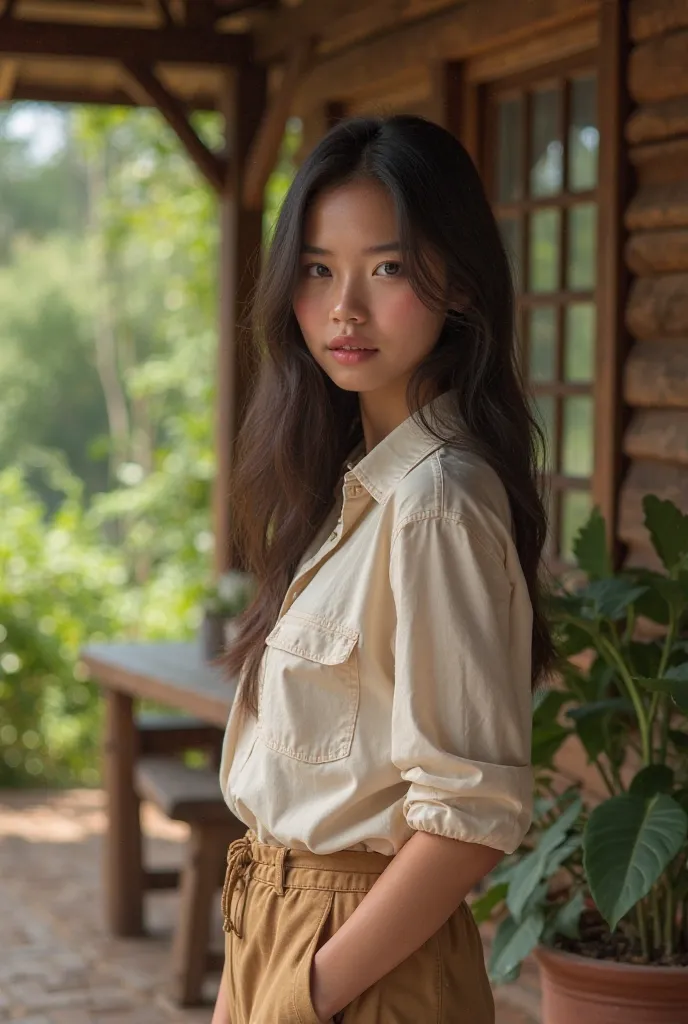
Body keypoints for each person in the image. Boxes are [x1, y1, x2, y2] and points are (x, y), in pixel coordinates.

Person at [211, 114, 555, 1024]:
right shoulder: (355, 491)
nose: (344, 309)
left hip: (359, 958)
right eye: (318, 269)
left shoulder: (437, 500)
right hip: (279, 927)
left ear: (461, 284)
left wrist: (301, 995)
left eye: (388, 268)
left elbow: (467, 819)